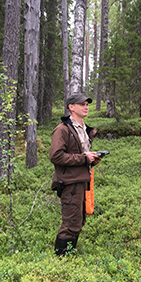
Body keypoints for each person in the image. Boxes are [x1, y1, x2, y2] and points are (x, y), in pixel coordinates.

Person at [49, 93, 101, 255]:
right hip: (70, 182)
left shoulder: (83, 129)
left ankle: (69, 257)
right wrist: (83, 158)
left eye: (87, 104)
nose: (86, 107)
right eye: (82, 104)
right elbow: (55, 156)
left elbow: (79, 155)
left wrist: (91, 159)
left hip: (82, 181)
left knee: (79, 220)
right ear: (71, 107)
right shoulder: (63, 130)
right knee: (70, 223)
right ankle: (61, 259)